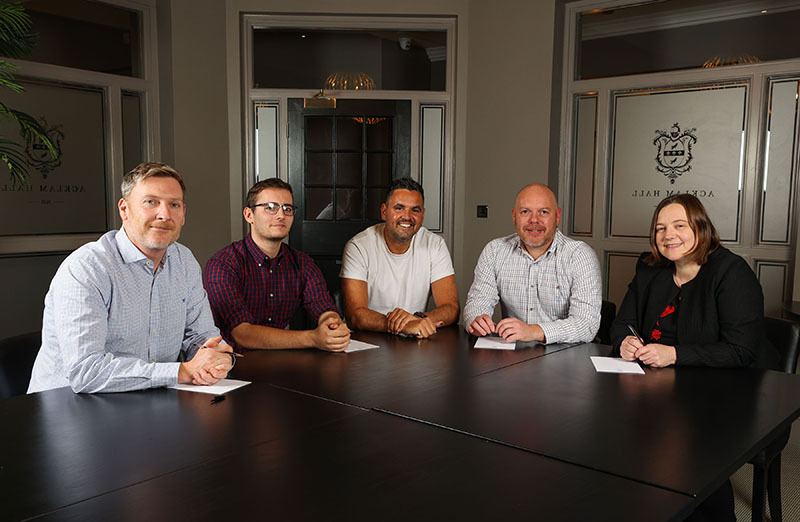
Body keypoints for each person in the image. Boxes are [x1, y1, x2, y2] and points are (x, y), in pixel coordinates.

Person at [610, 193, 779, 522]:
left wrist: (673, 353)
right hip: (660, 387)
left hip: (730, 390)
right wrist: (625, 341)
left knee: (682, 444)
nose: (667, 235)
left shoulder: (730, 272)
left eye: (678, 225)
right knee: (609, 429)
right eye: (660, 228)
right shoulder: (649, 269)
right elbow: (619, 323)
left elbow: (741, 350)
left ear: (701, 229)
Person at [28, 162, 233, 394]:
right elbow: (85, 372)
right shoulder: (87, 268)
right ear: (124, 210)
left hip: (148, 399)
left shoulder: (184, 261)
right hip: (67, 407)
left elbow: (201, 335)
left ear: (183, 214)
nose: (164, 214)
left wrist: (216, 358)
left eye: (174, 204)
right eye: (151, 202)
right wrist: (182, 371)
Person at [204, 179, 350, 352]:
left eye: (287, 208)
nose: (281, 215)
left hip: (280, 359)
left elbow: (323, 307)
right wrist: (313, 338)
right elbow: (242, 334)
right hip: (229, 365)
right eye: (270, 207)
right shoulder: (223, 264)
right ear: (249, 215)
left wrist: (332, 324)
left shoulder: (302, 263)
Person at [463, 183, 601, 343]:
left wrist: (534, 332)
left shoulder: (579, 256)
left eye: (543, 212)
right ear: (514, 216)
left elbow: (586, 325)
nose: (534, 220)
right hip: (512, 357)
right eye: (525, 212)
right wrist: (476, 319)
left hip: (566, 356)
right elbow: (477, 301)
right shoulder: (495, 251)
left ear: (557, 217)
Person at [340, 177, 459, 338]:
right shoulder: (358, 246)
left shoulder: (435, 245)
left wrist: (418, 319)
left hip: (414, 338)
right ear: (384, 212)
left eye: (415, 210)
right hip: (367, 341)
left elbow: (451, 308)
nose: (407, 217)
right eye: (399, 208)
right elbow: (355, 316)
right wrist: (402, 325)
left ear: (422, 215)